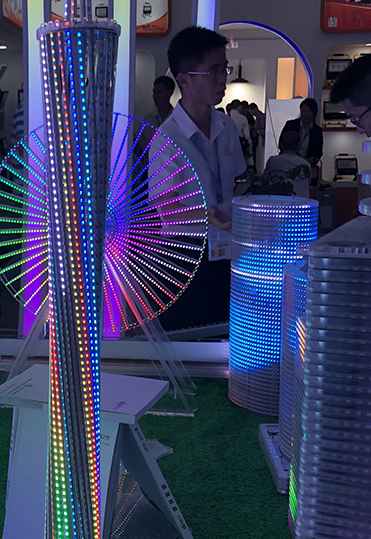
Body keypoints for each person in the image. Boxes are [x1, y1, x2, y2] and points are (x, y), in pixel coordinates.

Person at [154, 25, 247, 329]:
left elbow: (234, 184)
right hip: (184, 255)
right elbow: (167, 210)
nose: (222, 79)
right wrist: (210, 214)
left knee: (227, 331)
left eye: (224, 69)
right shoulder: (166, 138)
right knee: (187, 337)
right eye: (213, 71)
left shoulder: (227, 126)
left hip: (226, 249)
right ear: (184, 80)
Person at [264, 131, 311, 197]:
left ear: (281, 145)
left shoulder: (272, 161)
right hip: (300, 201)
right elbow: (308, 183)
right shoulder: (305, 165)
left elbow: (264, 180)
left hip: (276, 201)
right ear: (299, 146)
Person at [280, 98, 323, 166]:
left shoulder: (317, 131)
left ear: (314, 113)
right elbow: (281, 143)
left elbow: (318, 151)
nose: (306, 114)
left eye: (309, 111)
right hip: (288, 162)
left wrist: (312, 159)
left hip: (307, 164)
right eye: (304, 110)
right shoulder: (290, 125)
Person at [229, 99, 253, 165]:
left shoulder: (226, 117)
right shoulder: (243, 118)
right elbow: (246, 135)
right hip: (239, 143)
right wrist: (250, 144)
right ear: (239, 107)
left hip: (227, 143)